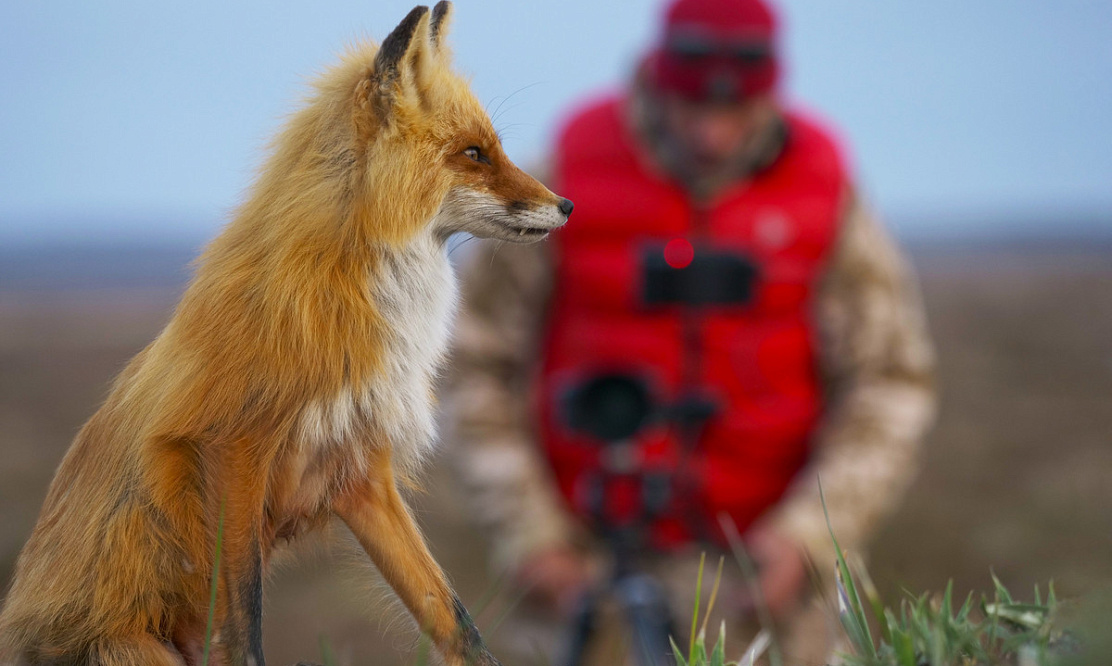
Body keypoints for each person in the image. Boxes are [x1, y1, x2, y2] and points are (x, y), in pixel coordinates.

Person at [446, 0, 936, 663]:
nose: (712, 136)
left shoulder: (823, 183)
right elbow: (471, 363)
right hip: (583, 571)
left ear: (769, 92)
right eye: (694, 109)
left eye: (735, 114)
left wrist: (813, 538)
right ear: (658, 78)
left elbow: (891, 380)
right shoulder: (568, 168)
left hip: (767, 585)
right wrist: (529, 532)